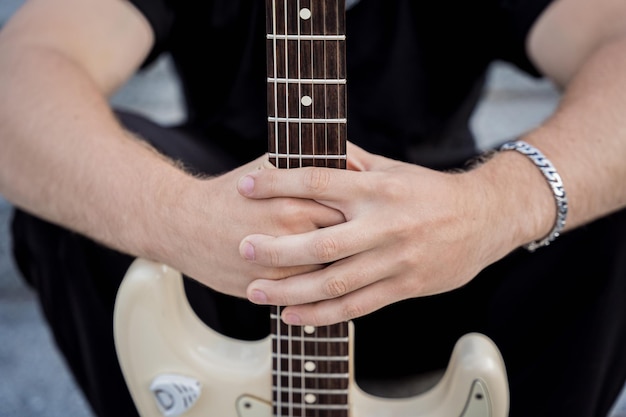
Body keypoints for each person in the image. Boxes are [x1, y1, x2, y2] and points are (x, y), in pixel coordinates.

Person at [1, 0, 626, 416]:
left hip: (445, 274)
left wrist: (494, 207)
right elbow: (22, 68)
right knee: (77, 173)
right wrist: (177, 217)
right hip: (230, 275)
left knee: (598, 191)